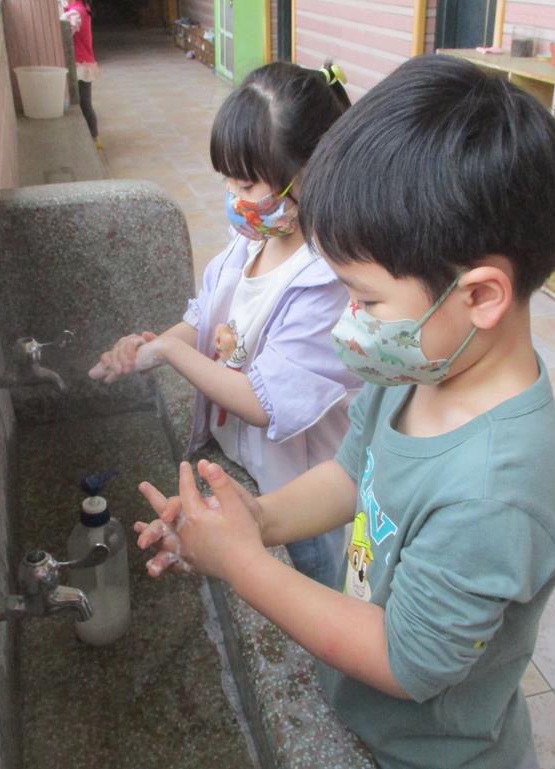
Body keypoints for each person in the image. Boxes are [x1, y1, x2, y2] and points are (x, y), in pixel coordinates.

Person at [134, 55, 555, 769]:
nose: (348, 319)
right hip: (360, 713)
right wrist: (257, 519)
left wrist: (241, 564)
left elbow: (404, 661)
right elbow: (351, 472)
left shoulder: (497, 492)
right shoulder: (420, 366)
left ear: (480, 295)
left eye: (366, 299)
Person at [90, 61, 361, 589]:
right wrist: (149, 347)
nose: (235, 199)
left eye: (246, 182)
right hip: (245, 460)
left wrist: (171, 355)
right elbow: (204, 317)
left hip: (299, 485)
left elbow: (263, 402)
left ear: (310, 172)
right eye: (228, 181)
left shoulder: (326, 279)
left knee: (315, 578)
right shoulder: (252, 240)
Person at [61, 0, 101, 150]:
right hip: (83, 62)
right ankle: (93, 137)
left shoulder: (76, 12)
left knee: (84, 104)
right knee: (84, 104)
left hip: (81, 64)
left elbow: (66, 30)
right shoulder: (81, 8)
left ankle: (94, 138)